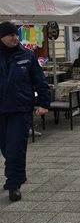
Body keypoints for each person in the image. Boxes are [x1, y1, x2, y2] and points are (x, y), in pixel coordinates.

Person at [0, 21, 50, 202]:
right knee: (5, 146)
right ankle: (18, 174)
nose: (15, 37)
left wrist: (43, 103)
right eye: (11, 35)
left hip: (20, 108)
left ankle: (13, 184)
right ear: (2, 37)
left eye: (16, 34)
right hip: (1, 110)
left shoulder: (27, 56)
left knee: (15, 147)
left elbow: (40, 81)